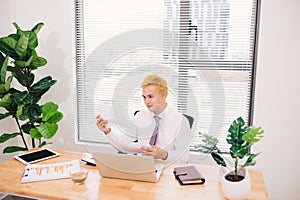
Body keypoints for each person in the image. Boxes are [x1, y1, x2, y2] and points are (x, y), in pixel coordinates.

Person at [96, 74, 192, 162]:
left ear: (163, 95)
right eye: (144, 97)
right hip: (141, 166)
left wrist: (164, 154)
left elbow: (184, 156)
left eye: (150, 96)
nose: (146, 101)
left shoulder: (180, 121)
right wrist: (108, 132)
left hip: (166, 169)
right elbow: (124, 143)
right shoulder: (141, 115)